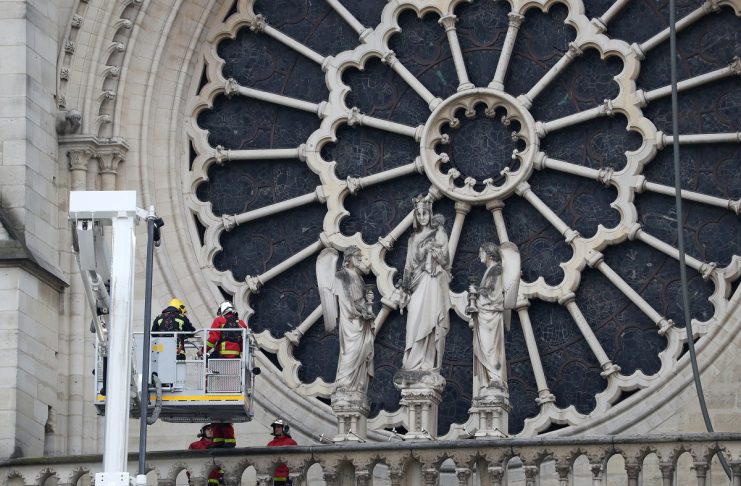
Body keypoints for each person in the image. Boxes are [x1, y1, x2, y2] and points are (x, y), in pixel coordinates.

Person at [399, 194, 451, 371]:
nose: (422, 217)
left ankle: (426, 362)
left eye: (425, 213)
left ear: (430, 213)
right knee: (413, 320)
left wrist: (433, 252)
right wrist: (405, 289)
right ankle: (413, 360)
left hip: (431, 279)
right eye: (418, 214)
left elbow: (445, 259)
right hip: (416, 283)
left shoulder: (438, 233)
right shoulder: (412, 239)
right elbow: (408, 265)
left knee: (430, 319)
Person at [316, 246, 375, 393]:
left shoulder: (359, 277)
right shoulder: (341, 276)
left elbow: (359, 298)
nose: (360, 259)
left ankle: (357, 383)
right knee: (350, 350)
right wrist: (359, 311)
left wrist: (368, 303)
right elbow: (345, 300)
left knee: (363, 346)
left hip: (361, 319)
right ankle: (345, 382)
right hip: (351, 319)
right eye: (357, 256)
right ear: (349, 258)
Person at [200, 301, 249, 448]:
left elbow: (213, 338)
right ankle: (228, 440)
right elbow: (245, 344)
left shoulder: (219, 321)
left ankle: (218, 440)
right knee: (228, 395)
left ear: (222, 311)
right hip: (235, 363)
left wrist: (203, 350)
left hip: (221, 360)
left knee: (215, 395)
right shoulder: (241, 324)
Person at [468, 242, 507, 394]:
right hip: (485, 315)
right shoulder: (491, 270)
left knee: (490, 347)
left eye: (481, 252)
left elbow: (492, 292)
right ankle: (491, 379)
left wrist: (476, 290)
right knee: (486, 348)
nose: (479, 256)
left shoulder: (496, 270)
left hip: (490, 316)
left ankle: (495, 378)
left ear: (490, 254)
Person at [267, 418, 297, 484]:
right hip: (273, 478)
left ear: (284, 428)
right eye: (275, 427)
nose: (276, 429)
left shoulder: (291, 443)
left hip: (287, 478)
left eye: (278, 427)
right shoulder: (270, 444)